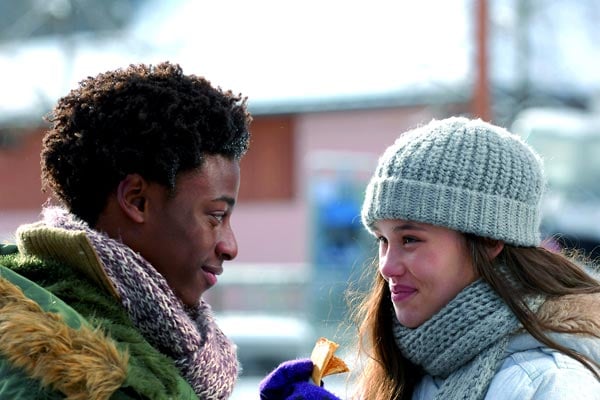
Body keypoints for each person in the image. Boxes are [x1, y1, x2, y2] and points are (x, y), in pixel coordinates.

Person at [259, 116, 600, 399]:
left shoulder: (550, 383)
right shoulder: (413, 365)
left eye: (410, 239)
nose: (387, 266)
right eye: (382, 240)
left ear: (490, 239)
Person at [0, 61, 252, 399]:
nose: (230, 247)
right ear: (136, 200)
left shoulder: (106, 324)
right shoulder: (72, 374)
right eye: (215, 216)